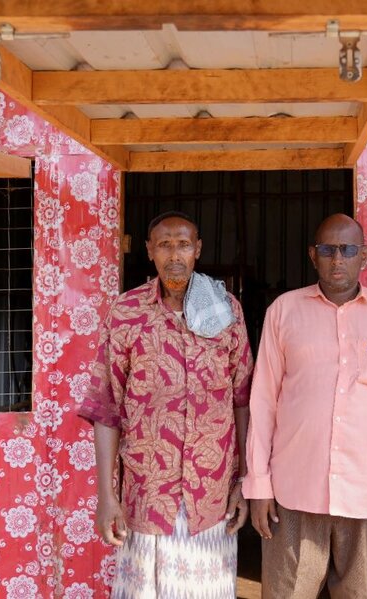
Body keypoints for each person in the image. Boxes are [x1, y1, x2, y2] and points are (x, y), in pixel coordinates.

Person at [244, 213, 367, 599]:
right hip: (293, 493)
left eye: (347, 250)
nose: (337, 259)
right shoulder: (284, 311)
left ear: (363, 255)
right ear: (312, 255)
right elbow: (263, 401)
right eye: (328, 250)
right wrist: (258, 485)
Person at [78, 211, 253, 598]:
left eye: (184, 244)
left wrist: (244, 482)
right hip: (146, 494)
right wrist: (106, 496)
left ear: (198, 250)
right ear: (150, 252)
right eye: (165, 245)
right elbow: (106, 409)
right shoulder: (126, 313)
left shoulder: (226, 310)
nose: (175, 254)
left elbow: (243, 400)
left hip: (211, 492)